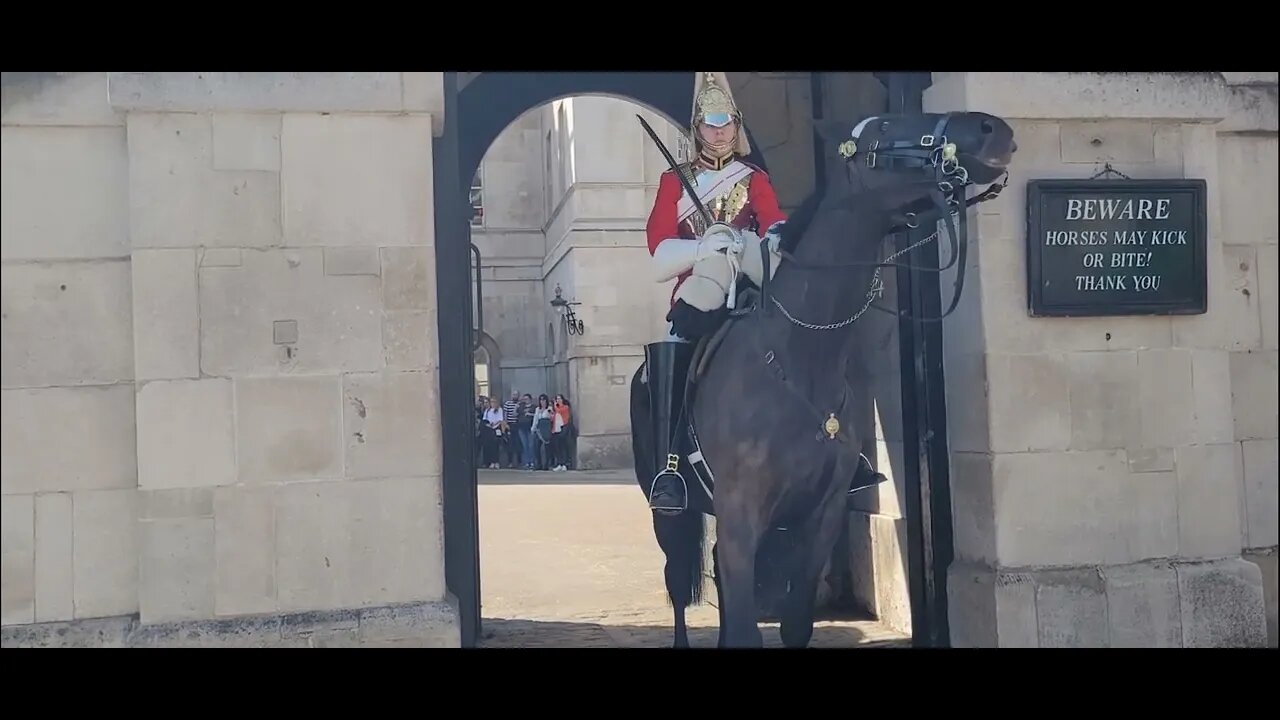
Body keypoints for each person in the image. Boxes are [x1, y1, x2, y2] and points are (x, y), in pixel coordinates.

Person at [641, 72, 886, 515]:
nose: (719, 131)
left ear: (736, 126)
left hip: (752, 286)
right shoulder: (673, 181)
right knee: (675, 356)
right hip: (698, 296)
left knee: (817, 335)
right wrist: (702, 246)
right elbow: (659, 253)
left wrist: (771, 239)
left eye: (726, 122)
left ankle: (846, 452)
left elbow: (773, 221)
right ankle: (671, 468)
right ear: (697, 129)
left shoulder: (752, 178)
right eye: (710, 123)